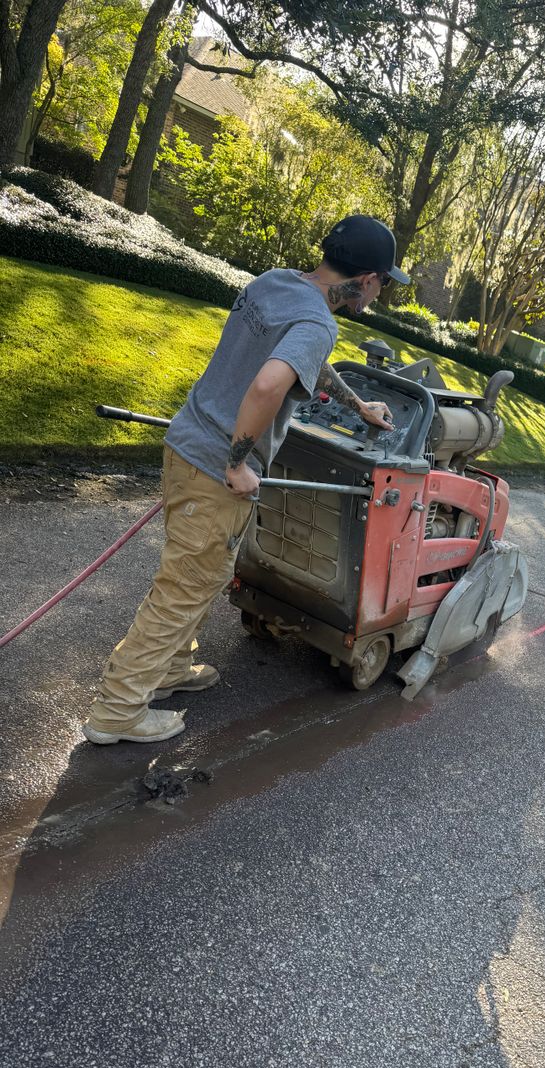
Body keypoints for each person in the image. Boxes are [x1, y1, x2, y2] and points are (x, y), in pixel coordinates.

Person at [83, 216, 410, 745]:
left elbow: (303, 362)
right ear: (369, 279)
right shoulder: (320, 322)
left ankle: (167, 670)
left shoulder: (276, 282)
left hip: (186, 443)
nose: (379, 293)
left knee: (202, 575)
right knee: (182, 590)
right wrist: (238, 465)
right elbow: (267, 385)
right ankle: (117, 712)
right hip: (215, 467)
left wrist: (357, 405)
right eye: (383, 285)